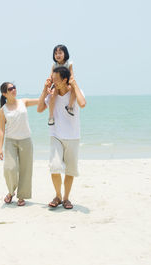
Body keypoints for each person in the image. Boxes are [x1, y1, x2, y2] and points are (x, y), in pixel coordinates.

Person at [37, 66, 86, 209]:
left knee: (70, 170)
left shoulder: (75, 92)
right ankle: (57, 196)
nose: (53, 81)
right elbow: (40, 109)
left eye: (56, 79)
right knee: (55, 166)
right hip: (56, 135)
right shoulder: (52, 95)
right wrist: (44, 89)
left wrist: (75, 84)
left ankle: (66, 198)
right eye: (52, 78)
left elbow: (82, 104)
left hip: (73, 137)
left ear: (65, 80)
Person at [0, 82, 38, 206]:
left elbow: (41, 100)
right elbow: (1, 130)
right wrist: (0, 148)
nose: (14, 90)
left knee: (26, 169)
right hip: (11, 141)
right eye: (10, 89)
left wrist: (48, 89)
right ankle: (11, 192)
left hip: (26, 140)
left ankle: (22, 196)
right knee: (10, 168)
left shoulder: (23, 102)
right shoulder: (3, 110)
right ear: (4, 93)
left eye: (14, 87)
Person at [47, 44, 76, 126]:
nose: (57, 55)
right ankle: (51, 116)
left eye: (60, 53)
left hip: (66, 84)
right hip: (56, 85)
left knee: (74, 89)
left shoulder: (69, 64)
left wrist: (71, 83)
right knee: (52, 95)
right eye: (55, 53)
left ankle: (70, 106)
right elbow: (51, 77)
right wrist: (49, 87)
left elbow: (71, 75)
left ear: (65, 54)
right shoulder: (54, 65)